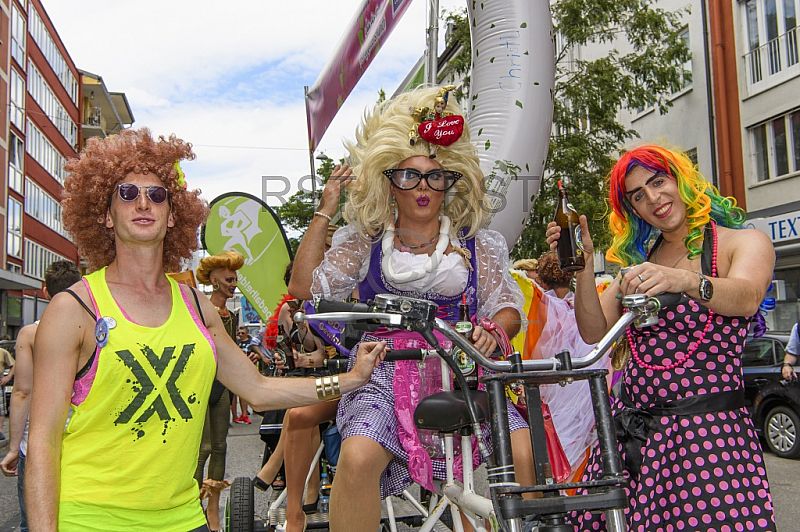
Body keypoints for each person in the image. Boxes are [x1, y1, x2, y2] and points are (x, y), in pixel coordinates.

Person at [24, 127, 386, 532]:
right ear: (106, 215)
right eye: (127, 193)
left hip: (184, 519)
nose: (143, 202)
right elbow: (42, 442)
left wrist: (349, 379)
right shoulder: (73, 309)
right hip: (90, 519)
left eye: (157, 194)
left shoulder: (197, 307)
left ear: (173, 213)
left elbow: (259, 390)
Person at [289, 86, 533, 532]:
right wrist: (325, 211)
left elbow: (507, 309)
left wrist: (494, 332)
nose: (423, 187)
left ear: (450, 182)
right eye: (409, 176)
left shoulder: (479, 245)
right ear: (389, 182)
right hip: (385, 370)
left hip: (461, 369)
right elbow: (303, 288)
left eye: (435, 176)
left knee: (523, 451)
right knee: (359, 455)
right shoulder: (365, 241)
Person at [546, 144, 777, 530]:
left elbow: (748, 298)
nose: (653, 198)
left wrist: (687, 280)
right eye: (638, 195)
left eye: (658, 181)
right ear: (633, 210)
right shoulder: (638, 268)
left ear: (681, 179)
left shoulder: (744, 243)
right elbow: (592, 331)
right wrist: (583, 266)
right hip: (633, 436)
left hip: (708, 438)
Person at [0, 261, 82, 532]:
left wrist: (13, 448)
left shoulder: (31, 333)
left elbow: (23, 391)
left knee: (33, 522)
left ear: (45, 291)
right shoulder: (95, 329)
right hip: (81, 439)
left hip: (36, 443)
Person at [193, 250, 246, 530]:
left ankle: (213, 508)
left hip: (222, 386)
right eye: (228, 278)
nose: (233, 283)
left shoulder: (231, 315)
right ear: (214, 281)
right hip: (202, 386)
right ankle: (195, 506)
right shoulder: (202, 310)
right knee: (202, 449)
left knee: (221, 447)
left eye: (235, 278)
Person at [0, 345, 14, 440]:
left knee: (1, 408)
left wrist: (8, 377)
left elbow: (13, 365)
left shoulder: (2, 352)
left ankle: (0, 430)